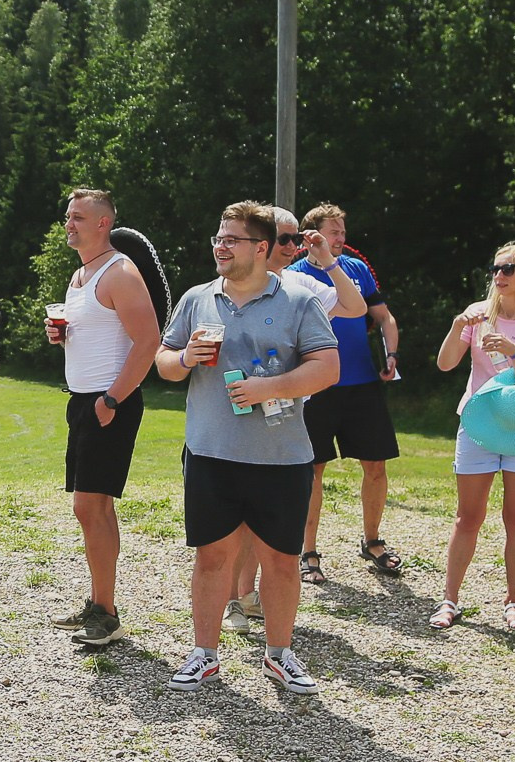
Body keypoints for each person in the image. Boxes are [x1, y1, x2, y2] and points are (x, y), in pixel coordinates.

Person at [154, 202, 339, 697]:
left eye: (232, 239)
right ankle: (204, 655)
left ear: (261, 248)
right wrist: (184, 357)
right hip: (211, 452)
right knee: (212, 557)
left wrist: (271, 388)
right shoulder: (197, 298)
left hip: (281, 457)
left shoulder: (299, 301)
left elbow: (328, 367)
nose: (221, 246)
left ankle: (279, 655)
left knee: (281, 559)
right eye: (219, 237)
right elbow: (164, 362)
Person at [223, 205, 365, 633]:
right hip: (237, 412)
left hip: (285, 412)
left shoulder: (302, 283)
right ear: (262, 240)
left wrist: (328, 259)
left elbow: (355, 307)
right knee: (238, 520)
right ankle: (237, 598)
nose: (292, 247)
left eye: (295, 239)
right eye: (285, 239)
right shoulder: (231, 284)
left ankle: (259, 601)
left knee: (271, 515)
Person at [42, 190, 161, 650]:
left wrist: (112, 400)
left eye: (78, 217)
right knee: (94, 506)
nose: (68, 224)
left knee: (89, 507)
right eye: (67, 216)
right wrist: (62, 333)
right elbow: (96, 333)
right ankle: (99, 602)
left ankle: (106, 613)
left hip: (109, 402)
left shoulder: (121, 272)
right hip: (84, 400)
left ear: (103, 223)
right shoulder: (79, 275)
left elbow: (148, 340)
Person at [431, 242, 515, 632]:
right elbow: (445, 363)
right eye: (495, 268)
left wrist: (513, 350)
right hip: (477, 424)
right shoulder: (479, 315)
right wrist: (458, 325)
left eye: (508, 269)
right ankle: (449, 599)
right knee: (467, 516)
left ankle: (514, 603)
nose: (499, 276)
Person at [293, 203, 405, 588]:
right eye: (334, 231)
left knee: (376, 465)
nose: (341, 238)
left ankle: (372, 540)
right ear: (312, 235)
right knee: (313, 469)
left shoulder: (354, 270)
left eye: (342, 231)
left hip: (362, 382)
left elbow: (384, 317)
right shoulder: (293, 274)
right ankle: (307, 551)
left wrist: (391, 354)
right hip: (315, 385)